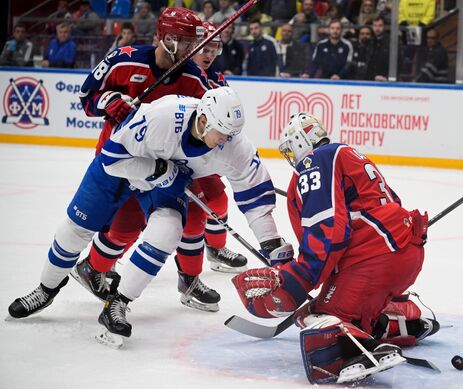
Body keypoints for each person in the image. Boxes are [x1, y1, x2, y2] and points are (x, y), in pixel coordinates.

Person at [8, 88, 292, 344]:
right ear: (204, 121)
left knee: (168, 230)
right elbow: (112, 159)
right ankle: (46, 290)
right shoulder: (164, 116)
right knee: (75, 230)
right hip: (120, 171)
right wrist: (158, 170)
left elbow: (255, 194)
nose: (226, 141)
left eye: (231, 135)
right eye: (222, 134)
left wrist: (270, 242)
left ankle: (117, 304)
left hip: (165, 182)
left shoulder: (234, 144)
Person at [233, 112, 437, 384]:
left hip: (374, 260)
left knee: (316, 315)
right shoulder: (349, 155)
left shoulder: (315, 160)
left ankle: (355, 353)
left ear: (299, 141)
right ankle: (406, 318)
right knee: (344, 307)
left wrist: (298, 278)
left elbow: (329, 229)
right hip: (404, 254)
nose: (293, 157)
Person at [73, 8, 216, 306]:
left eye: (194, 42)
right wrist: (109, 102)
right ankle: (91, 268)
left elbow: (214, 112)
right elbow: (87, 99)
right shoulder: (123, 59)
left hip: (167, 162)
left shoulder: (194, 76)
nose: (194, 49)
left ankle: (189, 280)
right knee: (126, 224)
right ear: (166, 39)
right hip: (121, 157)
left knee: (196, 215)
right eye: (186, 42)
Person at [174, 22, 248, 312]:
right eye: (205, 47)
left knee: (217, 199)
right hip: (171, 154)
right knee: (188, 217)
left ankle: (215, 250)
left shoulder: (216, 77)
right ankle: (188, 279)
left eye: (215, 47)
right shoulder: (177, 72)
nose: (210, 53)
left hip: (202, 155)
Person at [369, 17, 390, 81]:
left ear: (385, 27)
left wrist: (387, 77)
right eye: (375, 26)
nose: (377, 28)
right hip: (371, 79)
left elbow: (398, 62)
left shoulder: (391, 42)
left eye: (380, 26)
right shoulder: (371, 41)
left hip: (386, 79)